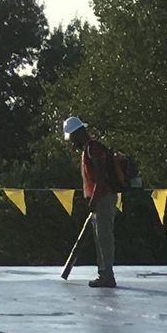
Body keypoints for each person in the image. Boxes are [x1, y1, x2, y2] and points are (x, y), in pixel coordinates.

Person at [63, 114, 120, 289]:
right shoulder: (89, 148)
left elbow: (101, 174)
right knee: (100, 237)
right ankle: (104, 273)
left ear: (78, 132)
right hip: (100, 197)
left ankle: (107, 276)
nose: (72, 142)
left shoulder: (92, 148)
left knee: (104, 237)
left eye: (72, 137)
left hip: (103, 197)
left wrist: (94, 198)